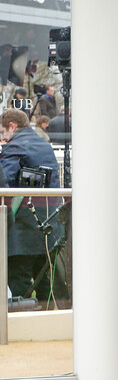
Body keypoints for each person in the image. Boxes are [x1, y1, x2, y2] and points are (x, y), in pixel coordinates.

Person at [0, 109, 68, 308]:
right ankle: (45, 318)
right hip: (50, 223)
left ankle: (22, 322)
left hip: (23, 227)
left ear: (12, 127)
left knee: (18, 278)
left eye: (2, 133)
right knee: (45, 277)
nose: (3, 139)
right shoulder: (44, 145)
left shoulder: (14, 147)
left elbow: (6, 182)